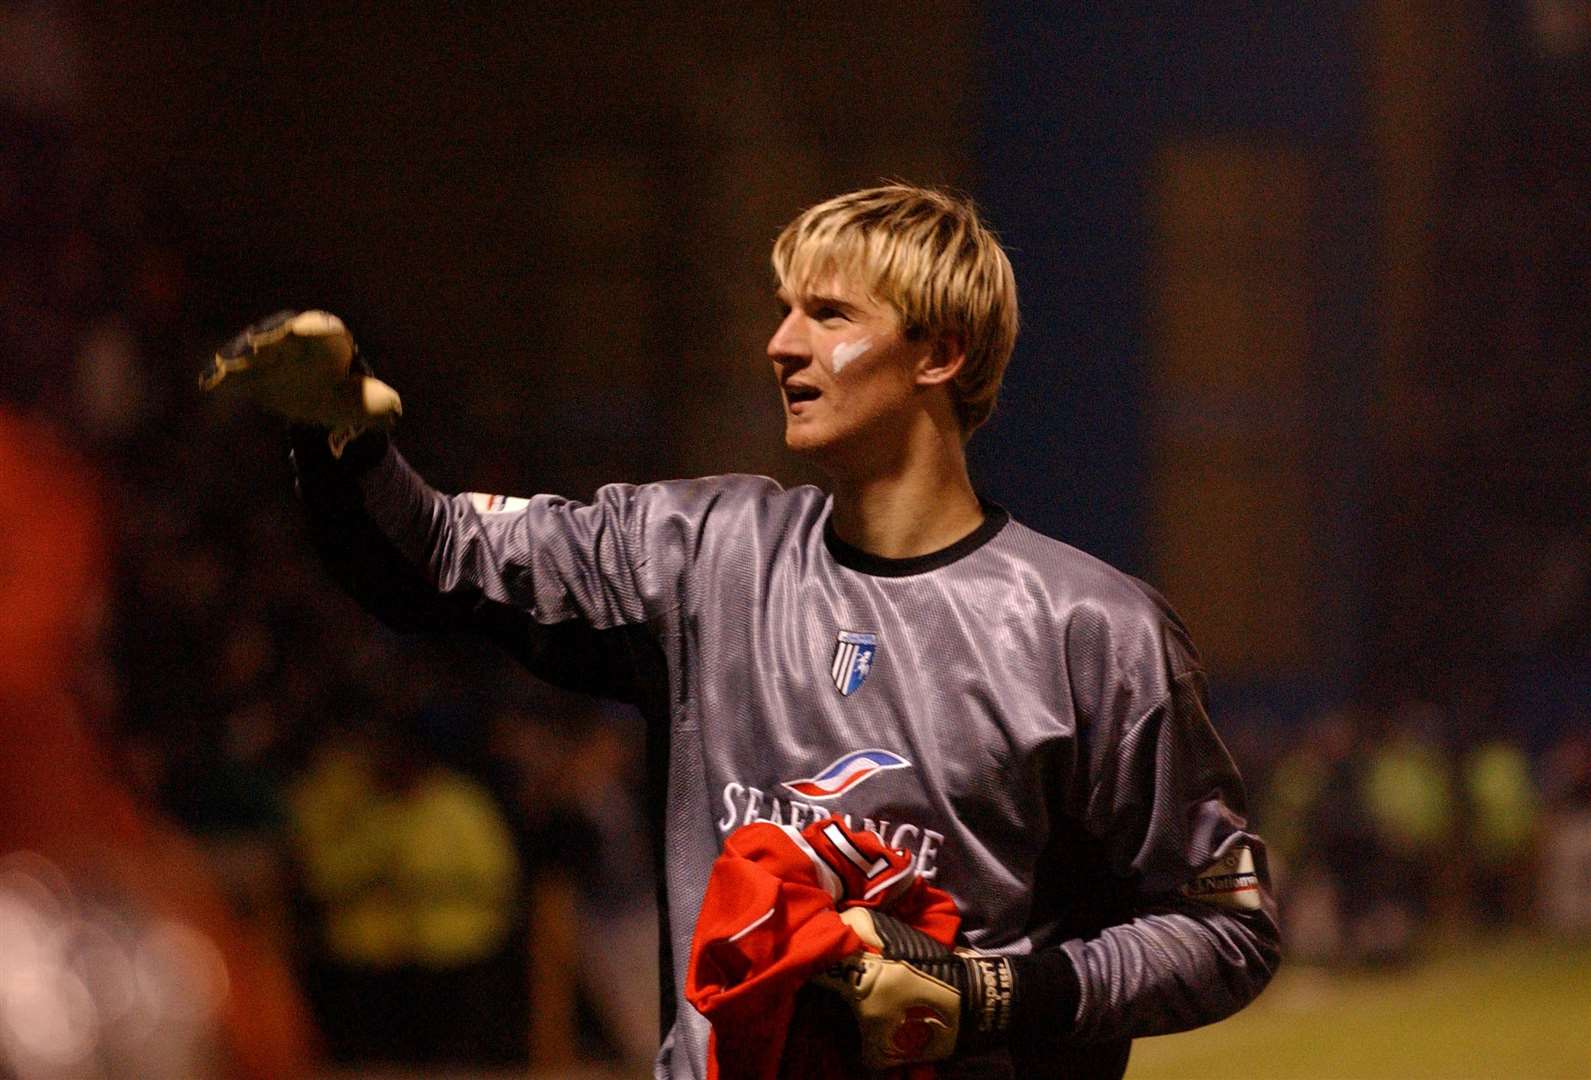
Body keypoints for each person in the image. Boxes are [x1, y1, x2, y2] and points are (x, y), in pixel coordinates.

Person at [207, 184, 1279, 1078]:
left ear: (939, 355)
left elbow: (1224, 929)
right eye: (782, 309)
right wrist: (340, 434)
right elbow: (433, 563)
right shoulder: (697, 554)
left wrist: (990, 994)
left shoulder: (1088, 628)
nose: (779, 343)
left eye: (829, 314)